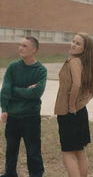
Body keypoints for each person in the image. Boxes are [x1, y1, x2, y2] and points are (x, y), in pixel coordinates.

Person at [0, 36, 47, 177]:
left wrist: (15, 90)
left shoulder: (41, 70)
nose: (20, 48)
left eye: (25, 46)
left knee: (33, 150)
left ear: (34, 50)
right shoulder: (13, 67)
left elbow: (36, 92)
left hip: (30, 117)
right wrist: (4, 109)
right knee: (11, 149)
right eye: (20, 45)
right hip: (13, 115)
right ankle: (10, 173)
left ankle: (36, 174)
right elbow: (5, 89)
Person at [54, 32, 93, 177]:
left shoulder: (73, 61)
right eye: (73, 41)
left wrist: (72, 105)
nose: (73, 44)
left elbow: (77, 84)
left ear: (84, 49)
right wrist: (81, 103)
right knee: (79, 152)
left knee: (67, 153)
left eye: (78, 43)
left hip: (69, 112)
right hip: (80, 112)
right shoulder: (87, 64)